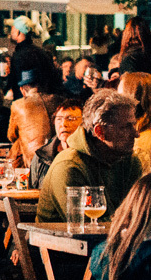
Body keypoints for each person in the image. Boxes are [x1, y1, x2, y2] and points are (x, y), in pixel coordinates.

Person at [39, 88, 143, 223]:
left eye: (133, 125)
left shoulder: (130, 161)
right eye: (125, 127)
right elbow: (85, 226)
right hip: (63, 242)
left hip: (117, 239)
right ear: (100, 132)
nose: (136, 134)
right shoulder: (69, 166)